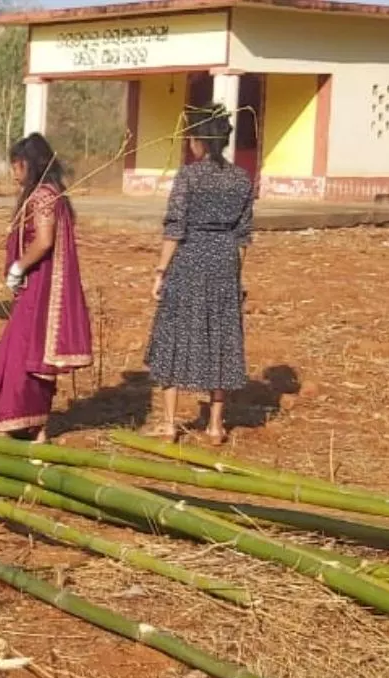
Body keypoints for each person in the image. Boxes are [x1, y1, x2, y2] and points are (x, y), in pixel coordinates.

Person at [144, 105, 254, 445]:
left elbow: (175, 228)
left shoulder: (189, 176)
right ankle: (216, 426)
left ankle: (168, 423)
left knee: (173, 334)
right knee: (221, 336)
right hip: (224, 261)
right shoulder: (241, 178)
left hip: (189, 259)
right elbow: (243, 234)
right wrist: (235, 274)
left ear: (199, 141)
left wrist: (160, 271)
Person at [0, 134, 93, 442]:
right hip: (40, 285)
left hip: (39, 287)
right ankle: (36, 425)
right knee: (35, 354)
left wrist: (19, 266)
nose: (15, 172)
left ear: (29, 164)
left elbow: (44, 240)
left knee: (22, 352)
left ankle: (14, 419)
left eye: (17, 165)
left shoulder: (43, 196)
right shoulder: (54, 194)